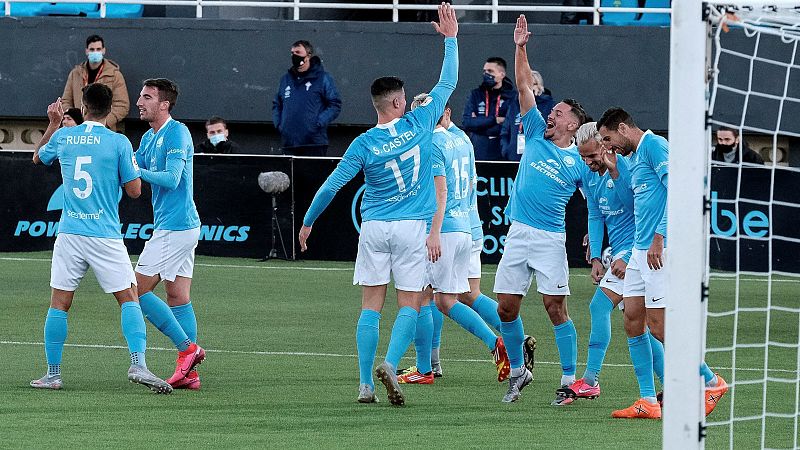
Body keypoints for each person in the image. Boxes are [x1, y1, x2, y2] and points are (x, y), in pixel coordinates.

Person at [298, 3, 459, 406]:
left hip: (373, 229)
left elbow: (332, 187)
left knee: (371, 306)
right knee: (411, 301)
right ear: (401, 102)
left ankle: (364, 385)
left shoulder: (363, 143)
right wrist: (451, 40)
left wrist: (307, 223)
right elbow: (448, 81)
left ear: (376, 105)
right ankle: (390, 363)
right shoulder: (420, 122)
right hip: (411, 228)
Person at [30, 84, 171, 394]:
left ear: (82, 108)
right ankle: (138, 363)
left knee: (60, 302)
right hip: (103, 234)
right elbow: (134, 191)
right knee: (129, 297)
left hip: (70, 233)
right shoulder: (118, 142)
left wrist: (54, 122)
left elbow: (38, 158)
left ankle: (53, 374)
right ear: (110, 111)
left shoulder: (65, 136)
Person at [597, 107, 729, 419]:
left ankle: (711, 382)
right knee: (632, 319)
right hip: (639, 253)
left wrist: (660, 236)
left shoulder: (655, 146)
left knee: (659, 327)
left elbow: (681, 191)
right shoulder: (632, 157)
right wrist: (615, 170)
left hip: (660, 250)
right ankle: (648, 401)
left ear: (624, 128)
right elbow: (639, 200)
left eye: (608, 138)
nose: (607, 144)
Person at [493, 14, 589, 404]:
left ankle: (569, 381)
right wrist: (520, 47)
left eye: (561, 113)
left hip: (550, 238)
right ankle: (519, 370)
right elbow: (522, 85)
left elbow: (598, 200)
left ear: (574, 124)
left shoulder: (581, 160)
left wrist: (597, 236)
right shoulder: (534, 131)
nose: (552, 114)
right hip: (519, 232)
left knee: (555, 308)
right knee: (505, 307)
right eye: (553, 110)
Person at [396, 95, 510, 386]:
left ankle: (430, 366)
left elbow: (439, 192)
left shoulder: (431, 144)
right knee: (458, 295)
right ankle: (510, 340)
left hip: (444, 229)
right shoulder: (461, 139)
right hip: (466, 225)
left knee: (428, 297)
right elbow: (472, 183)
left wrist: (432, 232)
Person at [557, 122, 664, 405]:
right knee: (639, 322)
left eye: (592, 156)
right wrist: (595, 258)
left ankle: (591, 380)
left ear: (604, 146)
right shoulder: (587, 173)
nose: (588, 162)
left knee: (602, 306)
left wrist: (627, 256)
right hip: (619, 254)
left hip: (636, 253)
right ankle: (666, 386)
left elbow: (638, 209)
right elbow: (594, 213)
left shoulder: (628, 166)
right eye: (583, 157)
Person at [134, 78, 206, 390]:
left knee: (135, 291)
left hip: (175, 227)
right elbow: (130, 165)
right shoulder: (149, 138)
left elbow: (173, 178)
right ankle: (190, 373)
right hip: (179, 226)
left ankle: (188, 349)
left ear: (164, 104)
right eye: (140, 96)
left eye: (147, 97)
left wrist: (137, 172)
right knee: (177, 296)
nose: (140, 101)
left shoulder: (177, 132)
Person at [272, 40, 342, 157]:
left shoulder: (322, 78)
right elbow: (277, 104)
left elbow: (335, 104)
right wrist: (280, 125)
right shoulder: (286, 79)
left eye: (298, 52)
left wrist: (317, 123)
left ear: (308, 55)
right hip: (289, 144)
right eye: (292, 52)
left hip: (313, 144)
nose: (294, 55)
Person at [62, 35, 130, 132]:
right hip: (78, 129)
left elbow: (122, 106)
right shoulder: (75, 73)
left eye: (98, 49)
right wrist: (74, 119)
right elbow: (66, 101)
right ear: (86, 51)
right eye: (92, 49)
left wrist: (103, 122)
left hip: (104, 130)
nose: (95, 52)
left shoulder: (114, 75)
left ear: (103, 50)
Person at [461, 56, 516, 161]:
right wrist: (495, 120)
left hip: (501, 150)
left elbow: (510, 125)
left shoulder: (512, 96)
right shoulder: (475, 95)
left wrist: (479, 122)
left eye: (490, 71)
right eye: (484, 71)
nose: (486, 74)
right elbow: (467, 122)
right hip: (479, 148)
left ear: (501, 75)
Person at [500, 71, 555, 161]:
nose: (526, 89)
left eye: (531, 85)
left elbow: (553, 132)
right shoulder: (514, 105)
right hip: (514, 156)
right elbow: (505, 132)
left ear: (538, 86)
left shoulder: (548, 105)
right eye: (524, 85)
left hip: (538, 158)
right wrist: (506, 150)